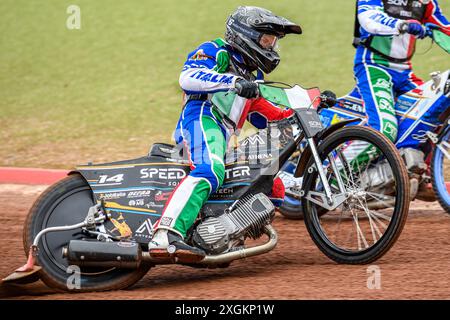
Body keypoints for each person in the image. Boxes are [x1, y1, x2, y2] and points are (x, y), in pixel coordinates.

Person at [148, 6, 302, 261]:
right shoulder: (215, 50)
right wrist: (232, 82)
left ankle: (220, 237)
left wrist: (304, 114)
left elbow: (262, 114)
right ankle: (164, 235)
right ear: (246, 35)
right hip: (201, 118)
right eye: (266, 40)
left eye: (273, 42)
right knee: (210, 169)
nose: (271, 48)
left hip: (224, 135)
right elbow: (187, 78)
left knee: (270, 184)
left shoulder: (253, 76)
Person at [351, 0, 449, 164]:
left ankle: (418, 177)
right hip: (373, 66)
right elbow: (368, 19)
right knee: (384, 130)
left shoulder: (427, 2)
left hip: (404, 72)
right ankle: (336, 176)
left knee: (437, 115)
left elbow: (444, 27)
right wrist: (403, 25)